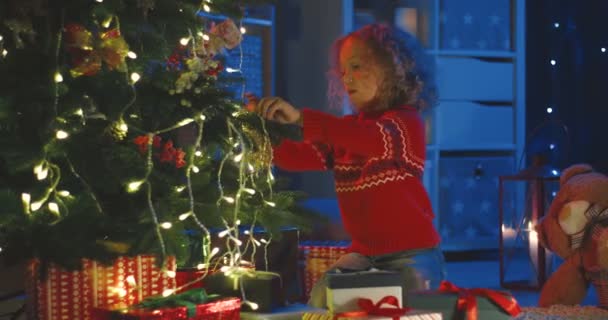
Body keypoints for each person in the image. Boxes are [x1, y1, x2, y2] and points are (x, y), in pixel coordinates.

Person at [247, 23, 446, 307]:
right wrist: (260, 131)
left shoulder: (406, 123)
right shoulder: (347, 129)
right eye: (342, 71)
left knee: (414, 309)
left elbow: (369, 139)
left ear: (393, 69)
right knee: (322, 297)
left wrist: (302, 119)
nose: (347, 78)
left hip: (411, 254)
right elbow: (297, 157)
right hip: (364, 254)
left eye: (357, 67)